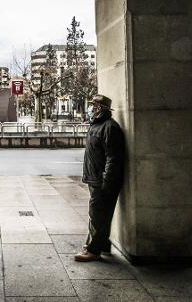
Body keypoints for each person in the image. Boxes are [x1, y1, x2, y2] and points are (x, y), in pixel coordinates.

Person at [75, 94, 125, 262]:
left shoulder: (110, 127)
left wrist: (106, 180)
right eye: (92, 105)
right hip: (94, 177)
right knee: (99, 213)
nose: (91, 108)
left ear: (103, 109)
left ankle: (93, 250)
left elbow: (113, 157)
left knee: (97, 214)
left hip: (102, 181)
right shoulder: (96, 125)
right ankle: (102, 245)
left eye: (95, 106)